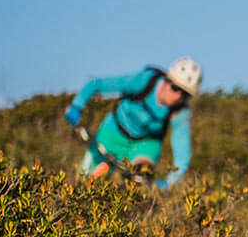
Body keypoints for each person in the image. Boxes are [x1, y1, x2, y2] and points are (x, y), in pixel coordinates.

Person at [65, 59, 201, 190]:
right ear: (166, 80)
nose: (178, 96)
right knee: (86, 182)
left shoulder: (180, 111)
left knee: (141, 178)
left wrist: (170, 183)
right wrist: (76, 106)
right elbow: (96, 84)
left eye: (185, 94)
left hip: (145, 144)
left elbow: (182, 155)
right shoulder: (144, 81)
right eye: (175, 88)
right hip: (113, 132)